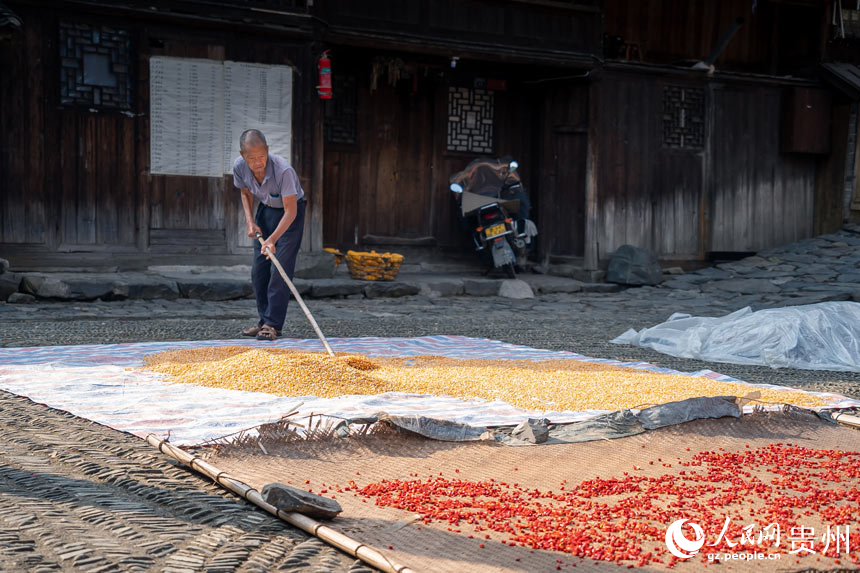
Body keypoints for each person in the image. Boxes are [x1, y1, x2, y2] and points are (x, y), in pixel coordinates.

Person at [233, 129, 306, 341]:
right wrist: (250, 221)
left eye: (262, 157)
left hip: (290, 215)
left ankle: (273, 325)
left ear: (268, 151)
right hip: (265, 211)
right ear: (242, 155)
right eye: (252, 158)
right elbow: (245, 192)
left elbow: (291, 211)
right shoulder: (239, 167)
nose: (258, 163)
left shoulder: (284, 171)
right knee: (259, 272)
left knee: (279, 270)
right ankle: (264, 321)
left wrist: (273, 239)